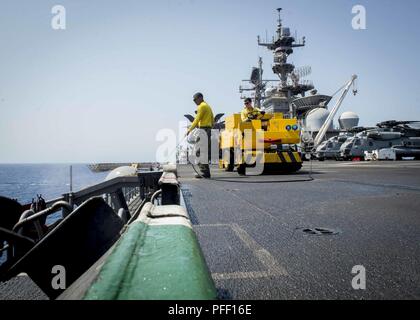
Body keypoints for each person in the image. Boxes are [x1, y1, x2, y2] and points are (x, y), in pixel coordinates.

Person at [186, 92, 214, 178]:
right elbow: (212, 118)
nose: (194, 101)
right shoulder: (208, 106)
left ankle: (204, 173)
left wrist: (189, 130)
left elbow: (197, 119)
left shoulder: (201, 106)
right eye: (193, 100)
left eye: (195, 99)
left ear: (200, 98)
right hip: (208, 129)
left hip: (203, 130)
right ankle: (206, 173)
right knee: (204, 151)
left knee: (199, 151)